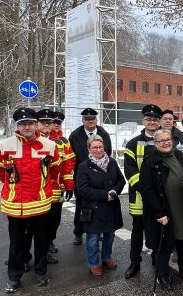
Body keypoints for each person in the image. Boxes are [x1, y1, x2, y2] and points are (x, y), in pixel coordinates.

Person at [0, 108, 60, 293]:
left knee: (41, 241)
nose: (27, 127)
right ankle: (14, 277)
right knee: (16, 244)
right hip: (15, 205)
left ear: (36, 124)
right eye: (23, 124)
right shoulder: (5, 145)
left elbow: (54, 170)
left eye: (30, 123)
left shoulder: (48, 146)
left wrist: (44, 188)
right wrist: (12, 189)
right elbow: (0, 171)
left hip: (40, 203)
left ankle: (41, 273)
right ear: (18, 126)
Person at [140, 129, 183, 290]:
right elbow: (147, 189)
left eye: (168, 139)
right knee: (164, 245)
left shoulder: (179, 156)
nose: (165, 143)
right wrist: (159, 212)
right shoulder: (150, 161)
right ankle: (163, 275)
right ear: (155, 143)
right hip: (164, 211)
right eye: (161, 140)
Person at [76, 134, 126, 276]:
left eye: (100, 147)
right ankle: (93, 263)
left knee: (109, 235)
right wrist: (105, 195)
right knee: (92, 238)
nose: (98, 150)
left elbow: (121, 180)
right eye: (94, 147)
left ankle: (106, 257)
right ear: (88, 149)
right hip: (93, 208)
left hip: (111, 207)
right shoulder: (83, 167)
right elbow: (83, 189)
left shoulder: (112, 162)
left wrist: (114, 191)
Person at [124, 104, 163, 279]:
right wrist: (146, 190)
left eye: (155, 119)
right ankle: (135, 262)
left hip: (160, 198)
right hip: (140, 197)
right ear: (143, 121)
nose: (152, 122)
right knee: (137, 230)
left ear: (159, 121)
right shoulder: (133, 143)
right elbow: (130, 171)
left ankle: (158, 258)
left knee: (159, 229)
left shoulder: (166, 141)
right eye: (149, 119)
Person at [68, 108, 112, 245]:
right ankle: (79, 231)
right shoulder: (75, 135)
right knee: (81, 205)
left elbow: (107, 153)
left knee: (99, 206)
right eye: (87, 119)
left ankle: (97, 230)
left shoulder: (103, 133)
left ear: (96, 120)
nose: (90, 121)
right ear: (83, 121)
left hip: (100, 176)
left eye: (92, 118)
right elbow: (72, 157)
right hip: (83, 176)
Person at [48, 111, 76, 254]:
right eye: (54, 122)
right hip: (44, 189)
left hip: (59, 188)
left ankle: (50, 242)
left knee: (55, 218)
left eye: (59, 123)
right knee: (40, 221)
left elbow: (70, 164)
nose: (57, 125)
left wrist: (69, 186)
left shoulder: (64, 141)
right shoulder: (44, 140)